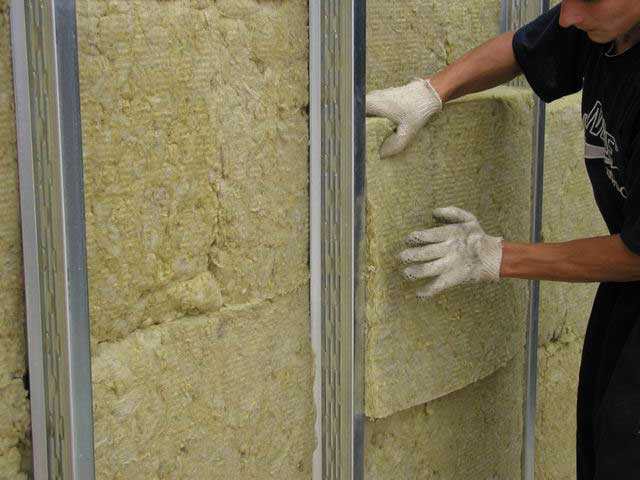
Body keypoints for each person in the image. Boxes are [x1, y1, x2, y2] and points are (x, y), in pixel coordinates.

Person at [366, 1, 640, 478]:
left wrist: (492, 256)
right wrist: (431, 92)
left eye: (587, 2)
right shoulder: (606, 20)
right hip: (626, 296)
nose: (569, 17)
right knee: (602, 444)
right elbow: (523, 49)